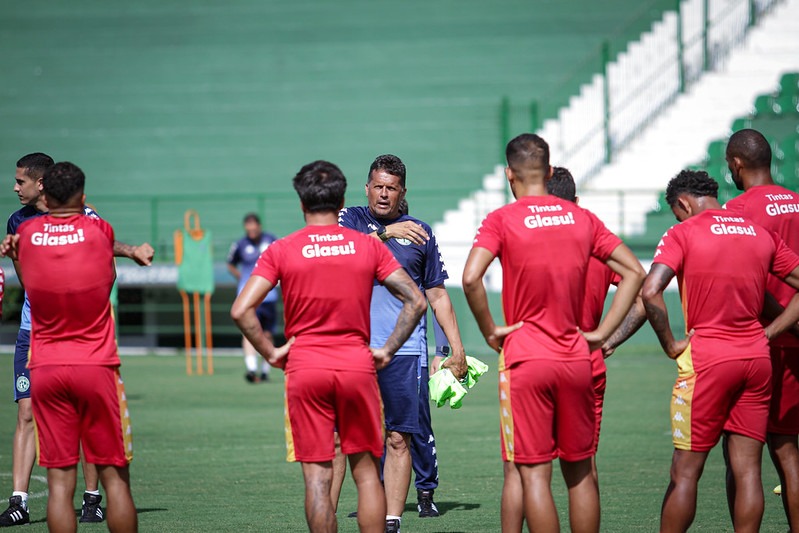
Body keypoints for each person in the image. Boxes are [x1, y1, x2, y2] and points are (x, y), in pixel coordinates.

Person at [462, 133, 645, 533]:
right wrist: (601, 335)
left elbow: (471, 277)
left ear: (509, 173)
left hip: (527, 358)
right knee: (580, 473)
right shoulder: (582, 218)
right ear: (547, 171)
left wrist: (491, 330)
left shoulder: (502, 219)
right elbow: (636, 274)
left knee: (533, 475)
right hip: (578, 356)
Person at [231, 160, 426, 533]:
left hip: (305, 369)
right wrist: (386, 350)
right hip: (356, 365)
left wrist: (271, 352)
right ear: (342, 203)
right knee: (367, 473)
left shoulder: (282, 249)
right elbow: (415, 300)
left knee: (318, 477)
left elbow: (241, 309)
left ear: (302, 204)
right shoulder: (367, 247)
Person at [0, 153, 153, 527]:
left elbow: (28, 270)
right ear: (80, 195)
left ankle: (90, 499)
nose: (16, 187)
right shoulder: (97, 229)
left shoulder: (29, 235)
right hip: (91, 356)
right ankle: (21, 501)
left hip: (47, 353)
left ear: (45, 190)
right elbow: (104, 251)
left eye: (21, 181)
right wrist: (134, 250)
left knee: (58, 483)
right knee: (116, 475)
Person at [642, 169, 799, 533]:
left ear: (682, 203)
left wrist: (670, 344)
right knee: (748, 470)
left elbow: (651, 290)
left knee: (685, 472)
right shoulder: (758, 233)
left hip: (708, 359)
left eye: (676, 212)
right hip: (757, 359)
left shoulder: (683, 232)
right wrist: (771, 331)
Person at [338, 154, 467, 533]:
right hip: (355, 348)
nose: (383, 194)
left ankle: (392, 519)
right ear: (366, 188)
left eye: (391, 188)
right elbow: (342, 254)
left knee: (400, 436)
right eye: (377, 186)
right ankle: (372, 504)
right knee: (361, 437)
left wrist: (455, 348)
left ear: (402, 191)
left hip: (407, 351)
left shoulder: (421, 232)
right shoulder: (351, 220)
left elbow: (438, 295)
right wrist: (385, 234)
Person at [723, 128, 799, 532]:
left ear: (736, 164)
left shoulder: (736, 211)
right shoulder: (798, 202)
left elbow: (745, 281)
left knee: (742, 453)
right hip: (795, 337)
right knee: (789, 450)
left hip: (761, 341)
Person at [227, 212, 279, 383]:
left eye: (253, 226)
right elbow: (230, 264)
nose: (251, 230)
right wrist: (244, 280)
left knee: (267, 333)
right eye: (248, 227)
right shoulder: (240, 245)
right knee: (249, 331)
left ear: (259, 226)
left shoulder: (271, 239)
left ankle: (265, 370)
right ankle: (251, 369)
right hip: (250, 298)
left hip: (269, 297)